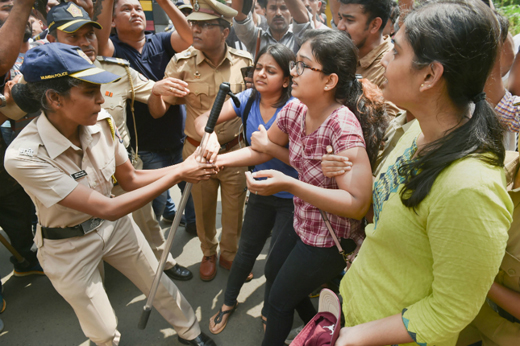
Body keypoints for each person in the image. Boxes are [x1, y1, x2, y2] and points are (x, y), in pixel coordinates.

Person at [4, 43, 217, 346]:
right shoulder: (24, 156)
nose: (101, 99)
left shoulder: (100, 121)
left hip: (116, 229)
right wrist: (180, 174)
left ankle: (190, 331)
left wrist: (184, 165)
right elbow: (107, 207)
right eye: (90, 92)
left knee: (157, 281)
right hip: (67, 245)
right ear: (54, 98)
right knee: (103, 331)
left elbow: (130, 178)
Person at [333, 1, 513, 345]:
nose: (384, 58)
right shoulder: (418, 133)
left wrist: (358, 336)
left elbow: (452, 309)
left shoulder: (469, 188)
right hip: (359, 310)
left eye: (396, 51)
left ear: (430, 75)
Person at [211, 29, 386, 345]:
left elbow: (357, 202)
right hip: (303, 222)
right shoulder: (295, 109)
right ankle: (324, 333)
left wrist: (291, 185)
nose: (293, 71)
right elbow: (263, 149)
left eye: (303, 65)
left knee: (277, 302)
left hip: (330, 238)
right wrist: (216, 161)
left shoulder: (342, 126)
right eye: (295, 63)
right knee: (274, 276)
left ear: (329, 81)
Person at [42, 2, 193, 281]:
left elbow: (152, 91)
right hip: (70, 183)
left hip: (118, 175)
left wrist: (167, 88)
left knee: (147, 221)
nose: (85, 43)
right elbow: (13, 110)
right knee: (80, 239)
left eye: (88, 35)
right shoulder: (39, 81)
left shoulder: (116, 70)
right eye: (73, 37)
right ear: (52, 40)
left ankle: (164, 263)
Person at [190, 43, 297, 334]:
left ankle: (268, 308)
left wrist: (217, 161)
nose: (260, 74)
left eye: (270, 70)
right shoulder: (248, 98)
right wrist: (208, 137)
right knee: (244, 252)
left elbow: (261, 153)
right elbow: (203, 119)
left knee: (276, 261)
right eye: (257, 68)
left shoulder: (293, 108)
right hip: (260, 191)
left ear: (287, 79)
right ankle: (228, 302)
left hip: (291, 197)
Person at [148, 0, 253, 282]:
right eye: (194, 24)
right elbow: (158, 112)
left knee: (234, 209)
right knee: (203, 210)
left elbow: (256, 106)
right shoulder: (180, 63)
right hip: (197, 153)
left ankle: (230, 254)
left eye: (205, 25)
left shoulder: (246, 65)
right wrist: (155, 92)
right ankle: (208, 252)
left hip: (235, 152)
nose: (195, 29)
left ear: (225, 31)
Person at [95, 0, 197, 231]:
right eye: (126, 9)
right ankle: (157, 243)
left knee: (191, 192)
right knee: (155, 202)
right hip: (147, 148)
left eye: (138, 8)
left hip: (180, 136)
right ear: (113, 20)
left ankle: (193, 225)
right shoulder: (113, 49)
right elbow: (100, 44)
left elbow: (189, 38)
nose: (134, 13)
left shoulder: (160, 39)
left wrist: (164, 2)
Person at [334, 0, 400, 117]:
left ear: (374, 25)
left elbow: (387, 128)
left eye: (349, 20)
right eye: (340, 18)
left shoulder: (391, 66)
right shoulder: (340, 53)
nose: (340, 26)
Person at [231, 0, 313, 58]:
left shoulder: (300, 39)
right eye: (273, 8)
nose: (278, 13)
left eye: (284, 8)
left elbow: (304, 21)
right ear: (265, 13)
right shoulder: (255, 38)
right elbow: (240, 17)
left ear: (292, 13)